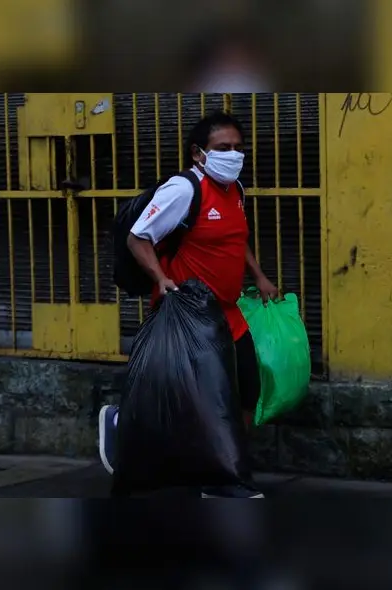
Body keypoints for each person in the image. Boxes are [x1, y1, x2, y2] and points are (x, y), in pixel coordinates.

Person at [98, 111, 278, 498]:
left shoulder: (235, 191)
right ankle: (222, 481)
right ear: (199, 154)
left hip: (228, 313)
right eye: (222, 148)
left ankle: (224, 464)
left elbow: (234, 239)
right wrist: (160, 278)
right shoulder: (184, 191)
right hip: (191, 315)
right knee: (207, 402)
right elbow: (137, 237)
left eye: (238, 148)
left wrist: (259, 276)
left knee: (247, 391)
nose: (233, 155)